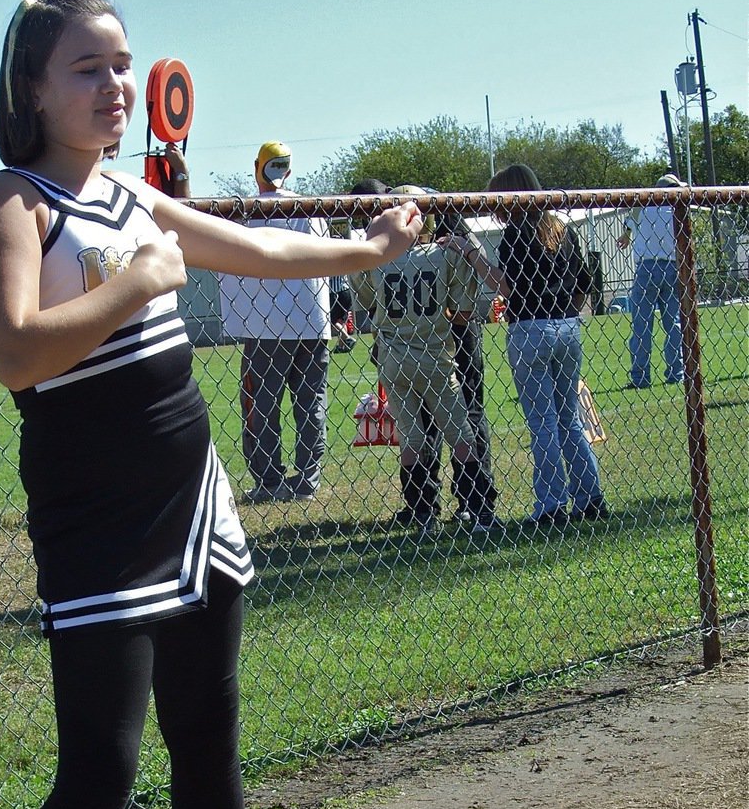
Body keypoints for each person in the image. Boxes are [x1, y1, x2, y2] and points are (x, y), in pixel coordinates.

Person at [0, 0, 422, 809]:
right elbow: (15, 353)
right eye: (85, 67)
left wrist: (369, 247)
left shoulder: (129, 193)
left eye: (122, 64)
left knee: (208, 736)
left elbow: (255, 248)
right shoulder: (14, 199)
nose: (113, 86)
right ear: (30, 88)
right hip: (97, 524)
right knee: (98, 773)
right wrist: (134, 283)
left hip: (196, 506)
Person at [441, 164, 608, 528]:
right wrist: (565, 312)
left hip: (530, 328)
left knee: (543, 422)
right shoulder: (561, 229)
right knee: (569, 419)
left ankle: (551, 504)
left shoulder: (517, 234)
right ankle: (590, 497)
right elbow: (583, 281)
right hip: (568, 327)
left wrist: (470, 253)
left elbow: (505, 286)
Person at [350, 187, 497, 534]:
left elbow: (366, 301)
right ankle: (478, 509)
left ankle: (423, 513)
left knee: (412, 438)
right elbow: (462, 313)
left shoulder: (375, 259)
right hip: (435, 356)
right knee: (460, 434)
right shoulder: (443, 255)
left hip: (394, 357)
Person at [218, 141, 332, 502]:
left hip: (265, 324)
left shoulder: (246, 210)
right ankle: (308, 479)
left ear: (258, 165)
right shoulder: (312, 208)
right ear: (289, 170)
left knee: (261, 406)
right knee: (311, 403)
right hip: (312, 320)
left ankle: (269, 480)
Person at [617, 173, 685, 388]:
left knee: (642, 325)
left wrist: (626, 235)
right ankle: (677, 372)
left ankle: (640, 376)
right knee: (674, 323)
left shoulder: (643, 204)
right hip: (673, 265)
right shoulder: (678, 208)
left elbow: (629, 225)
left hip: (646, 266)